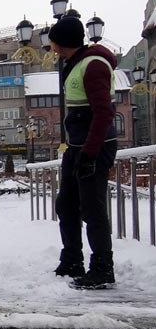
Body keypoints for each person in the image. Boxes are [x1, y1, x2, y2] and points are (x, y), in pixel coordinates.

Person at [48, 16, 118, 290]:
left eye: (54, 43)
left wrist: (90, 154)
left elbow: (103, 114)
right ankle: (72, 260)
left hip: (94, 147)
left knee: (92, 209)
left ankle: (102, 269)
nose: (52, 49)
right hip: (76, 146)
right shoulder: (76, 63)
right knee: (66, 204)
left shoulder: (93, 66)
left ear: (65, 42)